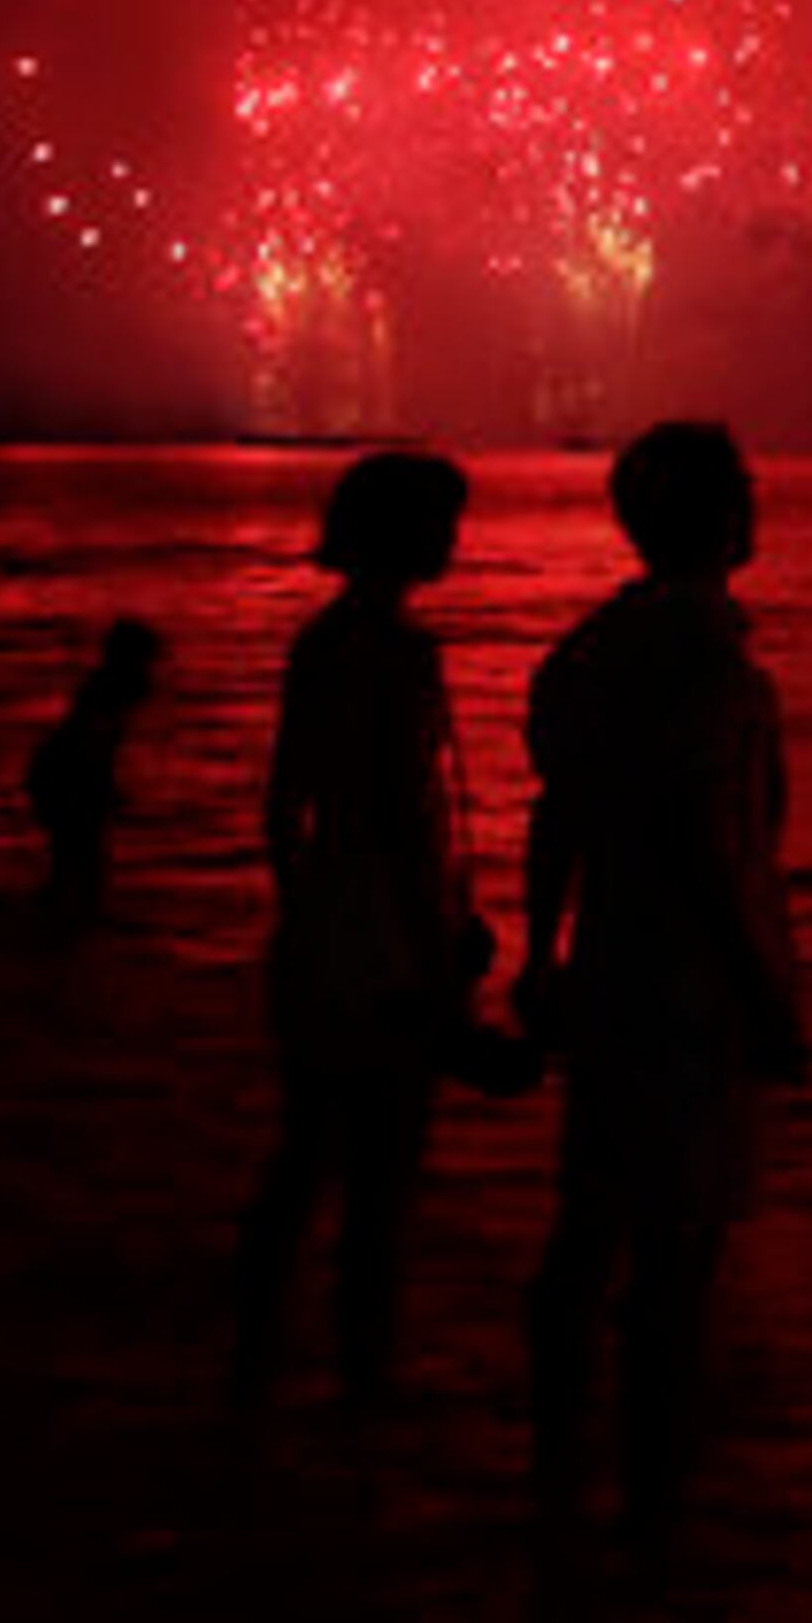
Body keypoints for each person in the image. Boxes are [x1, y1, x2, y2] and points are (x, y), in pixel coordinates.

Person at [517, 420, 806, 1541]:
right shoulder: (716, 670)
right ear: (717, 516)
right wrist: (767, 998)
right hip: (690, 1000)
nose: (758, 498)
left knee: (583, 1237)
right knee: (678, 1261)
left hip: (607, 981)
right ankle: (655, 1505)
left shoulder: (587, 654)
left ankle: (554, 1476)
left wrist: (543, 957)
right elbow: (711, 848)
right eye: (743, 486)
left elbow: (557, 821)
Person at [232, 451, 478, 1415]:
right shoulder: (400, 657)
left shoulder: (319, 643)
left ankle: (253, 1367)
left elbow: (283, 805)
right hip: (384, 948)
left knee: (301, 1161)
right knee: (382, 1186)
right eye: (443, 522)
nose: (455, 540)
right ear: (406, 534)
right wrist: (435, 959)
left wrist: (309, 917)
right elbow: (409, 819)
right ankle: (364, 1387)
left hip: (321, 939)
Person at [26, 617, 162, 934]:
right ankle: (64, 929)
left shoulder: (106, 691)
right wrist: (104, 789)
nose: (152, 670)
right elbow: (89, 749)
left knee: (74, 861)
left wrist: (108, 787)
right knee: (81, 861)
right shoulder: (108, 693)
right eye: (147, 661)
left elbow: (97, 750)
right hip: (61, 779)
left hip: (58, 775)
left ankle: (59, 926)